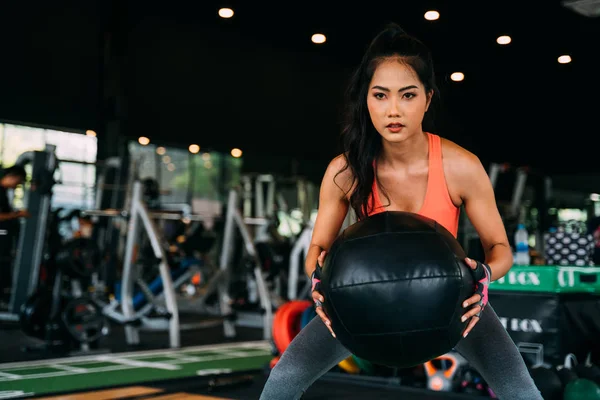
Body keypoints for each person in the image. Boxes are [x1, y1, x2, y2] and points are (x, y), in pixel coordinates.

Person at [260, 23, 542, 399]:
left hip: (450, 305)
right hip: (362, 304)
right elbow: (317, 251)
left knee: (522, 391)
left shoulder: (461, 166)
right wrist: (319, 284)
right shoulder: (345, 171)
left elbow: (500, 248)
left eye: (407, 95)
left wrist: (485, 276)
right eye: (381, 95)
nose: (394, 110)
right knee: (280, 384)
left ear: (428, 98)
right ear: (367, 100)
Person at [0, 164, 29, 303]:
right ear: (12, 177)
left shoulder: (4, 192)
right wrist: (18, 214)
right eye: (18, 182)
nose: (17, 185)